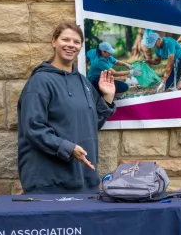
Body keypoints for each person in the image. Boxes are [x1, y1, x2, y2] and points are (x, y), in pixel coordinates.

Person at [17, 22, 117, 195]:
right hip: (50, 184)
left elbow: (92, 124)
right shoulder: (40, 82)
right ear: (53, 41)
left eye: (76, 42)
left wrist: (107, 97)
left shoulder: (83, 83)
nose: (71, 45)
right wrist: (67, 148)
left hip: (85, 182)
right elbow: (33, 128)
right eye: (65, 39)